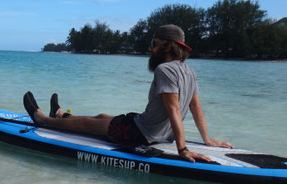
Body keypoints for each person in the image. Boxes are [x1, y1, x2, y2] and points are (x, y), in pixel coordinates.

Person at [23, 24, 233, 162]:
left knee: (87, 124)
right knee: (103, 117)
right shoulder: (190, 71)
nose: (151, 49)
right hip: (150, 128)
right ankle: (61, 115)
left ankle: (42, 120)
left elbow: (174, 110)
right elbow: (196, 108)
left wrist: (183, 149)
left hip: (139, 134)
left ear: (168, 46)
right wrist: (208, 140)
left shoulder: (164, 69)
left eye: (154, 44)